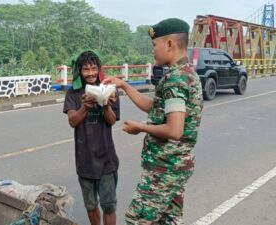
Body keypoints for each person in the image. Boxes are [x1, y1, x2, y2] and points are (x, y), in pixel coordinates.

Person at [104, 18, 203, 224]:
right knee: (168, 220)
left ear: (169, 44)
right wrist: (123, 85)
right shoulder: (187, 74)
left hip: (165, 168)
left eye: (154, 45)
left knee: (137, 219)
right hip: (177, 166)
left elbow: (174, 130)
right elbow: (155, 107)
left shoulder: (175, 79)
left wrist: (140, 127)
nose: (152, 50)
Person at [63, 50, 120, 225]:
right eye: (86, 69)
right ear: (79, 71)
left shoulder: (109, 90)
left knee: (109, 206)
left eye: (94, 68)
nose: (90, 73)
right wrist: (85, 107)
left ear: (99, 69)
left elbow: (112, 121)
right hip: (85, 160)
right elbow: (73, 121)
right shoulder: (73, 93)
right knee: (91, 205)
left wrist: (105, 105)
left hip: (107, 160)